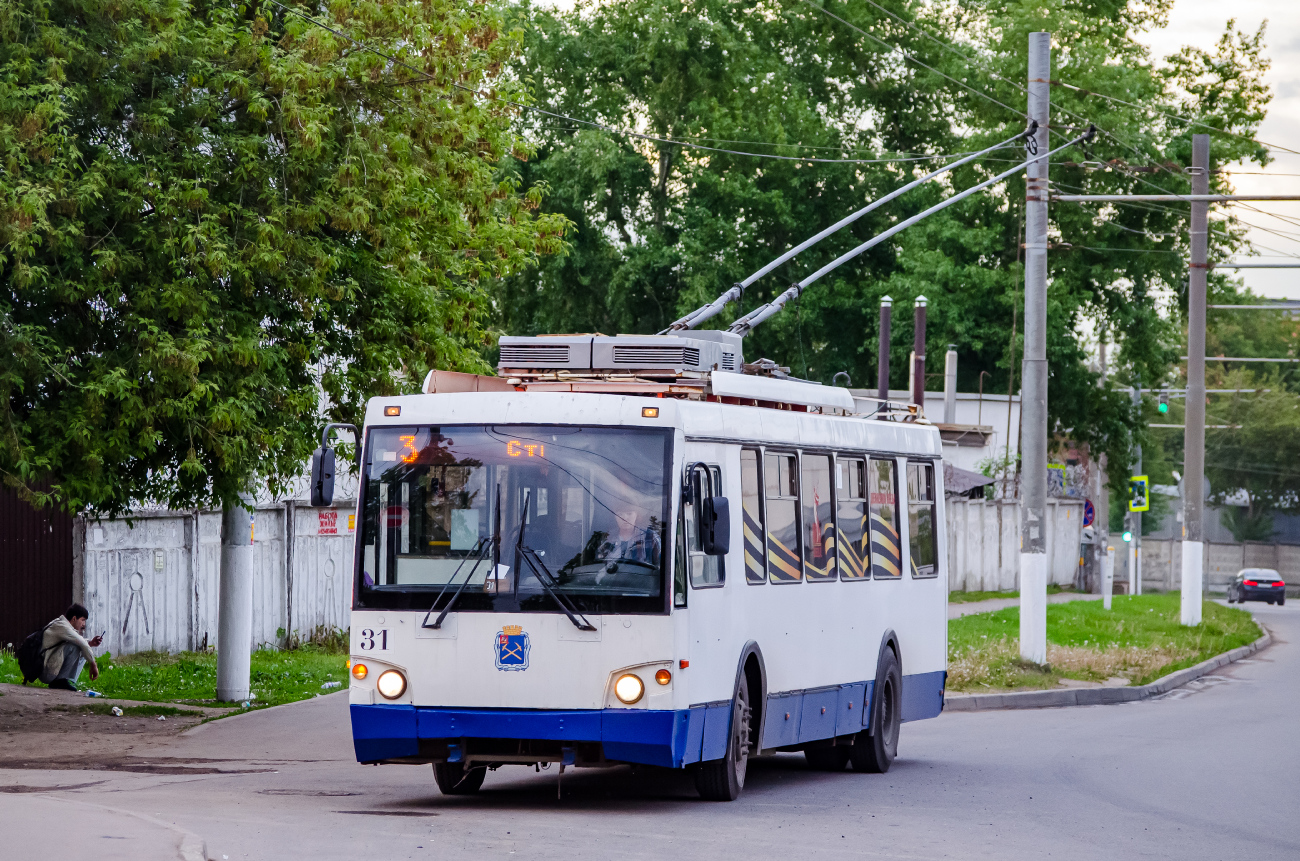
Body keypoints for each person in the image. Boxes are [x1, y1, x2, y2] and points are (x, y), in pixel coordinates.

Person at [40, 604, 103, 691]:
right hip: (46, 672)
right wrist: (93, 665)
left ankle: (65, 681)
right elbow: (82, 644)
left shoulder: (60, 624)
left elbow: (84, 644)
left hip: (47, 670)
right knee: (76, 647)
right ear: (74, 618)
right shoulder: (62, 626)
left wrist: (91, 643)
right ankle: (62, 681)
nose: (83, 624)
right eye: (82, 620)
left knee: (83, 647)